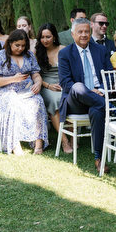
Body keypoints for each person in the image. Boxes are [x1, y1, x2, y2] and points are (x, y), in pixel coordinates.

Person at [58, 18, 113, 173]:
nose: (83, 35)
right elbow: (65, 83)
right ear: (72, 34)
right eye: (80, 32)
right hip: (76, 100)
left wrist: (101, 90)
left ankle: (99, 157)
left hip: (98, 96)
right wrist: (89, 92)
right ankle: (113, 109)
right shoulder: (65, 53)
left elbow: (109, 76)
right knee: (77, 87)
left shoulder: (100, 50)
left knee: (97, 109)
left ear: (90, 32)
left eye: (86, 31)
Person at [0, 29, 48, 155]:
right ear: (10, 43)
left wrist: (38, 83)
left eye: (23, 45)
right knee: (12, 103)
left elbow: (35, 74)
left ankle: (38, 143)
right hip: (6, 91)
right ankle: (14, 143)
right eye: (17, 45)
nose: (20, 48)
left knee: (38, 101)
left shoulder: (29, 55)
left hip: (27, 90)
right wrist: (13, 79)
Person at [35, 23, 72, 153]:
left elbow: (72, 69)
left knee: (71, 98)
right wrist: (48, 85)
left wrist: (65, 83)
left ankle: (73, 138)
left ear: (54, 37)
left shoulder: (64, 49)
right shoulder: (37, 52)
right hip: (46, 84)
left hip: (63, 82)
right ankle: (64, 141)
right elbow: (35, 74)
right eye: (42, 37)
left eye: (48, 37)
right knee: (54, 100)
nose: (45, 40)